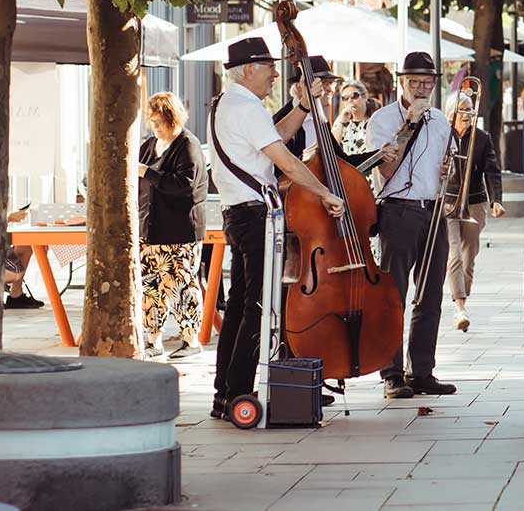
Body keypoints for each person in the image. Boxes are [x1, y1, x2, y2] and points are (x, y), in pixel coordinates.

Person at [208, 37, 345, 421]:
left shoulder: (228, 102)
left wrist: (303, 106)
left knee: (239, 306)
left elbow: (276, 136)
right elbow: (285, 160)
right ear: (249, 69)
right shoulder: (246, 106)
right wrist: (324, 192)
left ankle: (226, 392)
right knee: (256, 308)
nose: (274, 74)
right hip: (255, 217)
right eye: (269, 66)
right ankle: (237, 391)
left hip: (239, 214)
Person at [367, 51, 459, 399]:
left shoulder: (440, 120)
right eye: (415, 82)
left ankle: (422, 370)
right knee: (394, 294)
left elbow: (444, 167)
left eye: (427, 83)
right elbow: (385, 170)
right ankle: (391, 373)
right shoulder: (383, 119)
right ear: (401, 82)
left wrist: (448, 173)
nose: (422, 88)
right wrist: (408, 124)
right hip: (398, 210)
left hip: (433, 208)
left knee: (430, 294)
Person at [138, 91, 209, 359]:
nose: (154, 127)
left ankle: (191, 340)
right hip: (151, 229)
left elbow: (185, 186)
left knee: (181, 284)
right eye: (152, 122)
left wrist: (149, 173)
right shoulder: (149, 146)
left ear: (172, 118)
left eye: (158, 122)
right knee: (151, 286)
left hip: (179, 230)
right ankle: (152, 340)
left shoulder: (188, 145)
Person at [443, 91, 505, 334]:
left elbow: (492, 170)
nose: (467, 114)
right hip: (449, 202)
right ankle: (459, 308)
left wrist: (496, 200)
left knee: (469, 258)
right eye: (462, 109)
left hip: (475, 202)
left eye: (469, 109)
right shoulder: (443, 135)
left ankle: (462, 302)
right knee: (454, 254)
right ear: (451, 113)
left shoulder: (482, 138)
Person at [332, 80, 373, 156]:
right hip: (348, 166)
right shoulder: (340, 120)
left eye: (354, 96)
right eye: (345, 98)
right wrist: (342, 122)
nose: (350, 100)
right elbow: (331, 147)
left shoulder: (374, 119)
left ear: (365, 96)